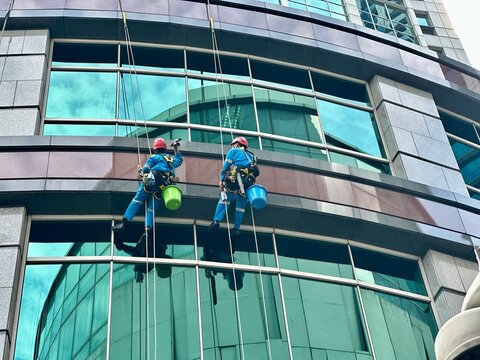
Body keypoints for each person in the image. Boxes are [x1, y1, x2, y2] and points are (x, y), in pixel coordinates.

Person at [112, 137, 183, 246]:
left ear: (155, 149)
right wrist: (176, 148)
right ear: (164, 148)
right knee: (151, 210)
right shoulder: (171, 160)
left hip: (151, 183)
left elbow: (146, 169)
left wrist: (141, 171)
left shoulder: (154, 157)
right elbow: (180, 159)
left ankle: (124, 222)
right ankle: (146, 231)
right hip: (163, 188)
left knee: (137, 200)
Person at [209, 136, 259, 237]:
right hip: (248, 182)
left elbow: (226, 166)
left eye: (233, 144)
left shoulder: (234, 151)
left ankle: (216, 221)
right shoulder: (252, 156)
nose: (232, 146)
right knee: (241, 205)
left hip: (235, 177)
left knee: (226, 197)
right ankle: (236, 228)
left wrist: (222, 179)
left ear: (237, 144)